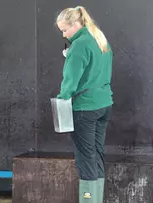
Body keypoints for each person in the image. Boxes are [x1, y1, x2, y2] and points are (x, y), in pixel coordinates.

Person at [55, 6, 113, 203]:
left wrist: (62, 98)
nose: (64, 35)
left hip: (85, 108)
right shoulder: (99, 38)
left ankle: (88, 200)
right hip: (104, 104)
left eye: (64, 30)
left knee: (85, 157)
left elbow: (70, 80)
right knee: (97, 153)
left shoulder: (79, 44)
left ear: (76, 24)